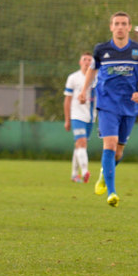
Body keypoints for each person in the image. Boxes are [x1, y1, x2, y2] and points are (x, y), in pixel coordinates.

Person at [78, 11, 138, 207]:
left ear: (129, 27)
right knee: (109, 145)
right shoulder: (101, 49)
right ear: (111, 27)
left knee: (118, 152)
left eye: (123, 23)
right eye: (116, 23)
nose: (120, 27)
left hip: (129, 105)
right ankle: (112, 193)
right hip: (106, 104)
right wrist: (84, 91)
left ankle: (104, 175)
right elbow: (92, 70)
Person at [63, 52, 95, 183]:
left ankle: (74, 174)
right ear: (80, 62)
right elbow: (67, 100)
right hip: (76, 115)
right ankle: (85, 171)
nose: (87, 62)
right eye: (84, 59)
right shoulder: (73, 78)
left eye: (89, 60)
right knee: (82, 142)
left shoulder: (97, 77)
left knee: (79, 145)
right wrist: (67, 119)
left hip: (91, 116)